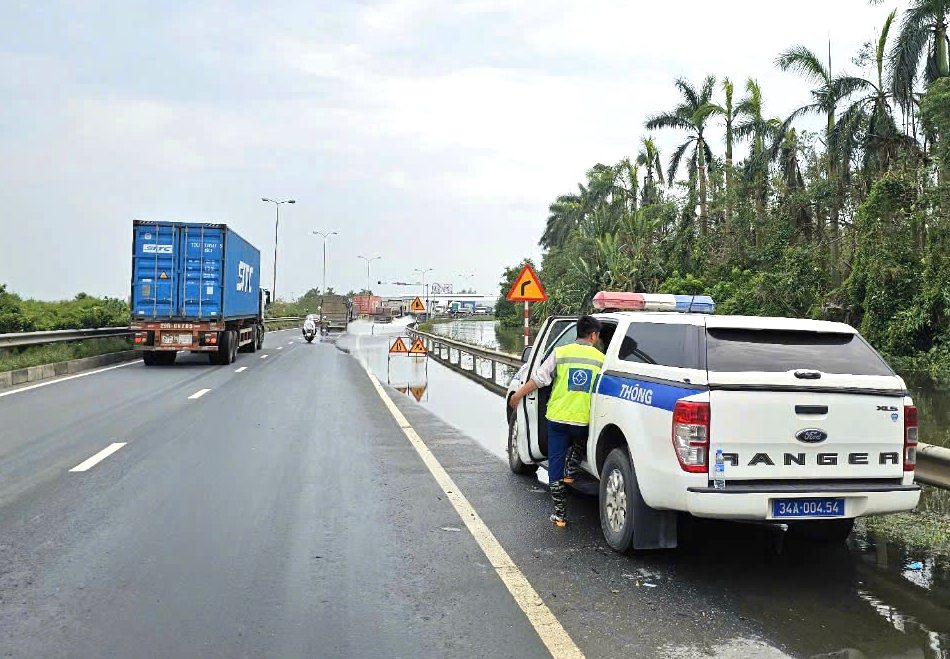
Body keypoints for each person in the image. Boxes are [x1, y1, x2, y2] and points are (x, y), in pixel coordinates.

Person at [509, 315, 604, 527]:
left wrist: (518, 395)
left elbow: (539, 379)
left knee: (555, 465)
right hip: (583, 421)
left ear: (577, 333)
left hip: (557, 419)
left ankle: (560, 516)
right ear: (594, 335)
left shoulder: (560, 353)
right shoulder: (601, 359)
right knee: (580, 440)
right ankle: (571, 472)